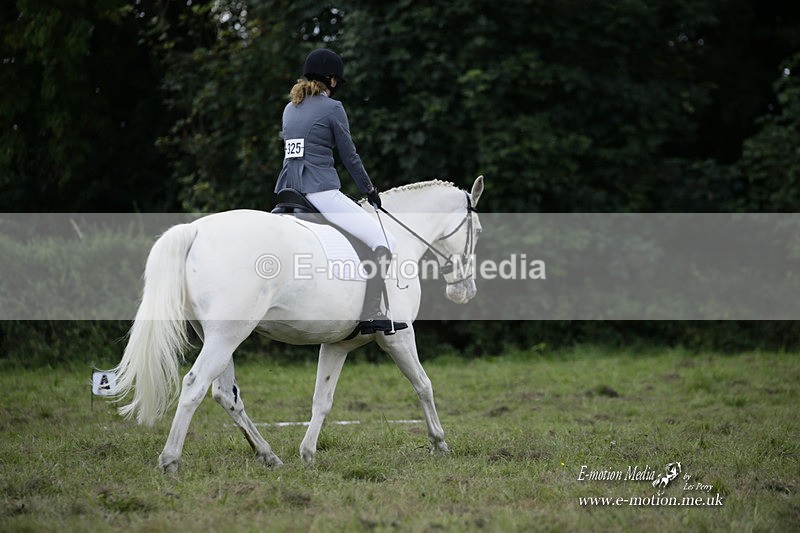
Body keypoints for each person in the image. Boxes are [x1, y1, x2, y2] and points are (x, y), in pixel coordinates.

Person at [275, 48, 407, 335]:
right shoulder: (333, 108)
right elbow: (350, 156)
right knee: (385, 240)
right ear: (332, 81)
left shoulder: (289, 109)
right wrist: (369, 189)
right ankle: (371, 313)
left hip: (287, 192)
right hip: (320, 193)